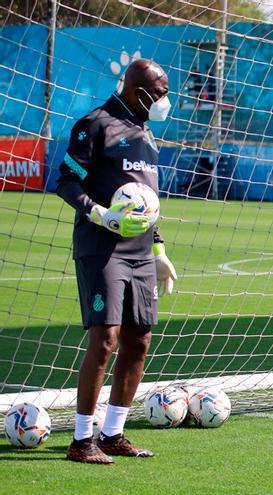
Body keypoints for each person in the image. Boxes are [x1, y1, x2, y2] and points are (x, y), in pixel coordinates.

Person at [56, 59, 178, 464]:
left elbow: (148, 203)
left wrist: (158, 250)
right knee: (105, 338)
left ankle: (113, 433)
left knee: (139, 339)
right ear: (137, 90)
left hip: (141, 253)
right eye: (160, 93)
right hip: (100, 247)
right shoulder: (94, 124)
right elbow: (66, 181)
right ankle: (80, 440)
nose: (165, 101)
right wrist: (100, 213)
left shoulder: (146, 133)